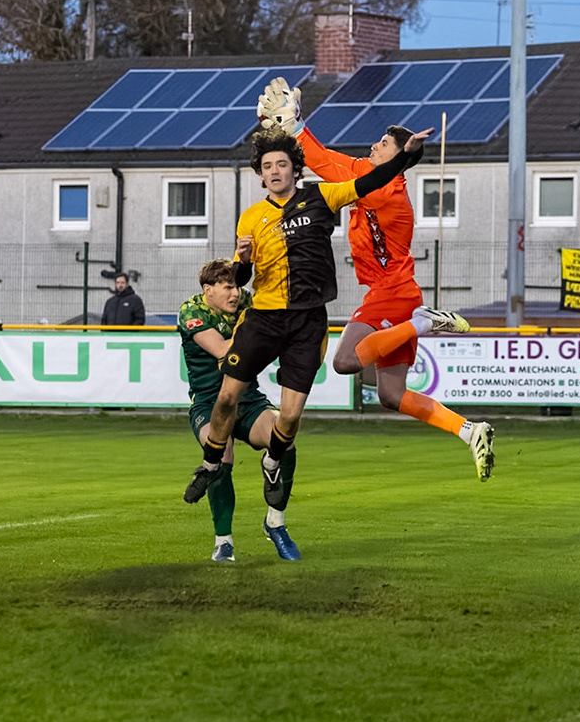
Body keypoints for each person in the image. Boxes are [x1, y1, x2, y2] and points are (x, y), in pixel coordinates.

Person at [183, 127, 424, 559]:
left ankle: (273, 464)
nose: (274, 171)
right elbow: (240, 280)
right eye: (267, 166)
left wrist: (407, 157)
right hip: (264, 319)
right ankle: (210, 463)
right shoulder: (252, 217)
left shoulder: (323, 197)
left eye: (281, 164)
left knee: (290, 419)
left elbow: (370, 181)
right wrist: (243, 260)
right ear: (260, 175)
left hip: (307, 322)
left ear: (295, 167)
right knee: (225, 399)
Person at [298, 118, 493, 479]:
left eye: (383, 143)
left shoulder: (388, 191)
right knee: (389, 393)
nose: (374, 146)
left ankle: (424, 322)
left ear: (397, 156)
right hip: (395, 294)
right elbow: (322, 158)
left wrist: (409, 152)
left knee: (344, 362)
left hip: (393, 293)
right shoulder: (368, 173)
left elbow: (337, 170)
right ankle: (470, 430)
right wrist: (297, 126)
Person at [179, 259, 294, 562]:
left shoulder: (245, 301)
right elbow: (221, 350)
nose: (235, 294)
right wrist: (258, 334)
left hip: (248, 398)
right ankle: (223, 542)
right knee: (220, 452)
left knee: (285, 436)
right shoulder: (191, 312)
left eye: (237, 287)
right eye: (228, 287)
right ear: (208, 290)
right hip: (208, 401)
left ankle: (275, 523)